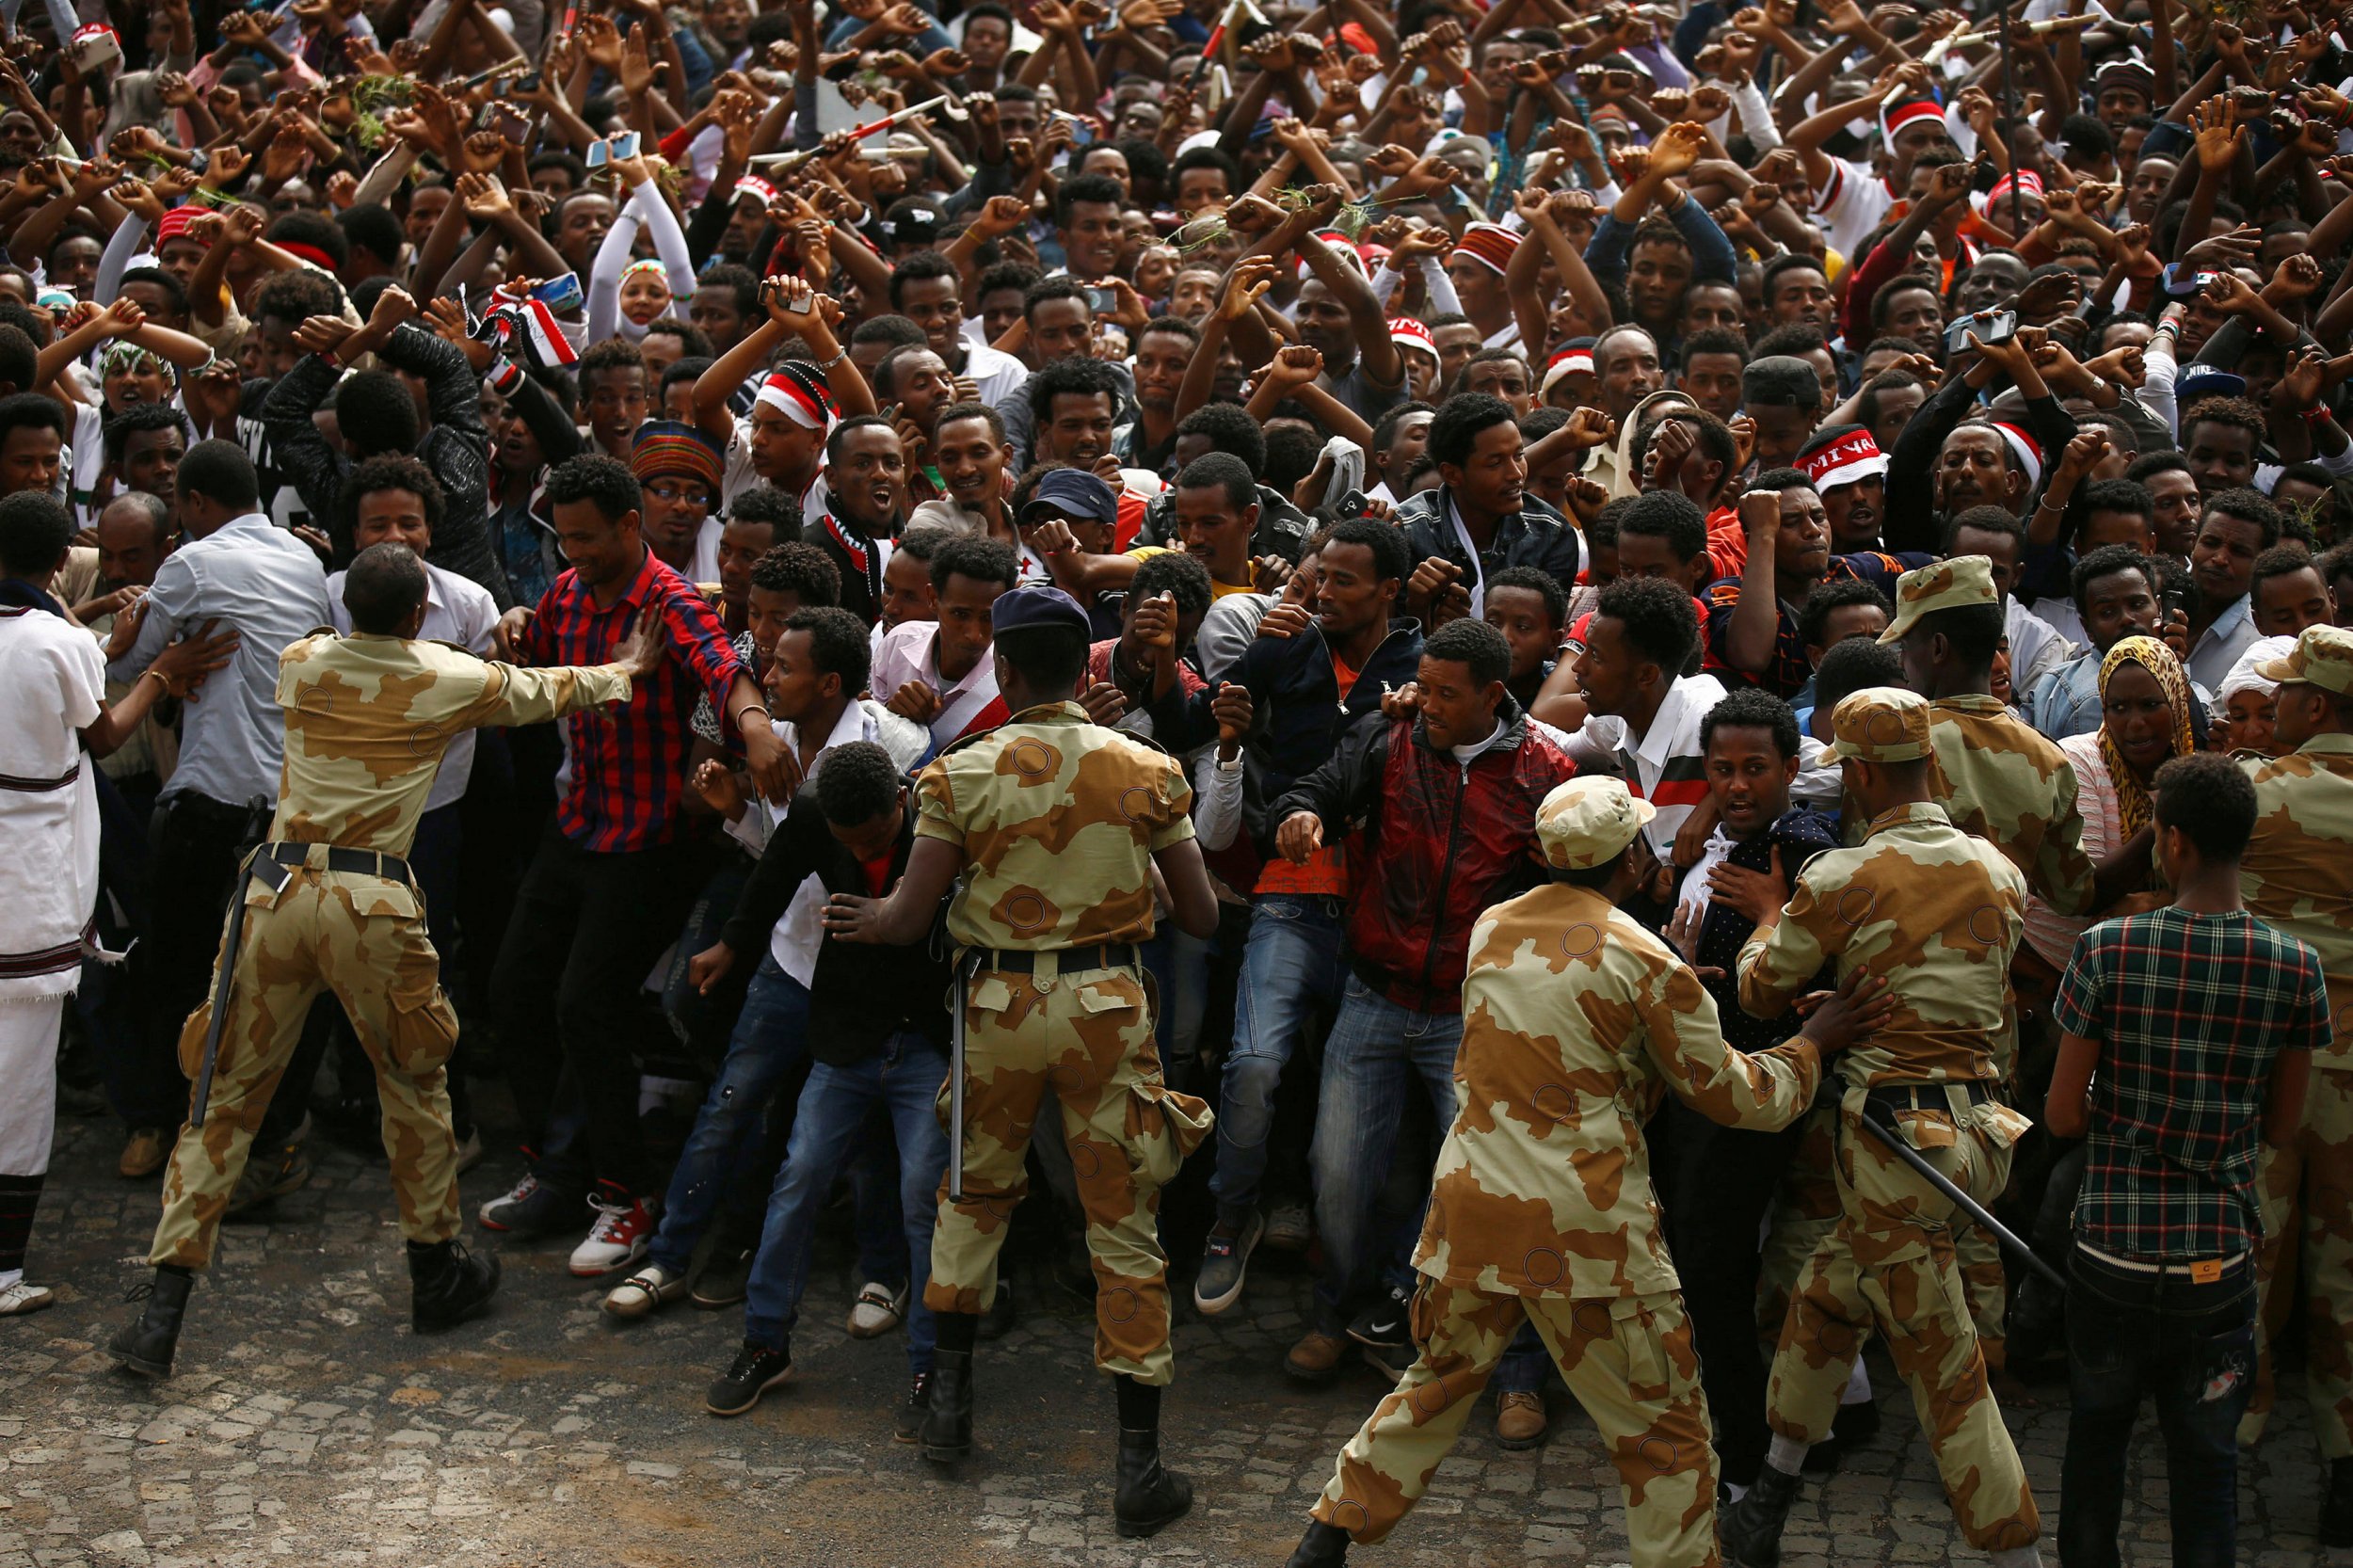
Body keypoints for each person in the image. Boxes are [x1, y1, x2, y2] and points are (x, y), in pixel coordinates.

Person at [1281, 776, 1888, 1568]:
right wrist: (1815, 1043)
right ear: (1633, 856)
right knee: (1664, 1433)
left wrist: (1659, 1020)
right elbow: (1740, 1097)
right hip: (1586, 1231)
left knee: (1433, 1385)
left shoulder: (1493, 926)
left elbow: (1556, 1040)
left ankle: (1326, 1537)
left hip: (1473, 1207)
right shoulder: (1645, 957)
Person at [107, 542, 662, 1374]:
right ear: (415, 618)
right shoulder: (441, 675)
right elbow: (555, 691)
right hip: (373, 906)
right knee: (412, 1086)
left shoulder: (302, 661)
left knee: (223, 1097)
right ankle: (434, 1270)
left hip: (275, 895)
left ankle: (162, 1311)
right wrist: (626, 664)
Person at [821, 584, 1220, 1539]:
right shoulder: (1147, 768)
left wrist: (869, 918)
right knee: (1121, 1223)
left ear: (1001, 667)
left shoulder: (958, 774)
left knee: (973, 1197)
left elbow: (909, 917)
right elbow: (1201, 915)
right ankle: (1137, 1465)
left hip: (996, 1007)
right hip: (1106, 1009)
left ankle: (948, 1411)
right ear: (1084, 667)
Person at [1721, 687, 2045, 1568]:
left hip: (1898, 1151)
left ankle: (2017, 1553)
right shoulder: (2000, 869)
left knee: (1946, 1374)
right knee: (1825, 1299)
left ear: (1860, 774)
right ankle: (1769, 1501)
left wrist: (1762, 920)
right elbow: (1963, 999)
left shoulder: (1841, 875)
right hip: (1979, 1135)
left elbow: (1757, 989)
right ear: (1930, 763)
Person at [483, 454, 788, 1274]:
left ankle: (626, 1194)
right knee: (513, 991)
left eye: (588, 539)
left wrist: (754, 726)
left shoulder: (670, 599)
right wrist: (516, 619)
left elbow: (723, 669)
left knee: (588, 1005)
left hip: (648, 846)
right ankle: (555, 1169)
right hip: (576, 826)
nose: (574, 552)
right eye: (565, 539)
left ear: (630, 526)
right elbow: (533, 661)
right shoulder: (566, 592)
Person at [1269, 618, 1577, 1384]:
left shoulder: (1547, 772)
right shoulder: (1389, 738)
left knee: (1496, 1187)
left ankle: (1517, 1372)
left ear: (1492, 696)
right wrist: (1301, 816)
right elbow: (1319, 787)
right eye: (1426, 688)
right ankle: (1342, 1314)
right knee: (1338, 1173)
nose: (1430, 706)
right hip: (1375, 992)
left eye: (1448, 695)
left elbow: (1574, 890)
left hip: (1475, 1014)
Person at [2044, 751, 2322, 1568]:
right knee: (2207, 1463)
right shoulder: (2295, 968)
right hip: (2218, 1260)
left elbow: (2061, 1116)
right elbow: (2281, 1128)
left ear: (2172, 843)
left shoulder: (2108, 950)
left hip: (2112, 1252)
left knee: (2095, 1448)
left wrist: (2122, 1119)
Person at [0, 492, 231, 1315]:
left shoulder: (59, 636)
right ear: (63, 559)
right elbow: (102, 733)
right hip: (24, 888)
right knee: (21, 1085)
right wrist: (161, 672)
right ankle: (3, 1270)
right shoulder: (57, 640)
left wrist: (104, 641)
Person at [695, 741, 952, 1444]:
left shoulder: (944, 813)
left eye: (873, 840)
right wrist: (731, 946)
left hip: (927, 1037)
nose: (862, 851)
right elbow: (773, 878)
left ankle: (935, 1370)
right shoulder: (815, 815)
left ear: (900, 804)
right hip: (845, 1033)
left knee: (925, 1196)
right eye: (849, 845)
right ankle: (765, 1343)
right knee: (800, 1175)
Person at [2234, 624, 2353, 1542]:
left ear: (2312, 705)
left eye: (2281, 696)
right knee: (2345, 1271)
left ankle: (2227, 1445)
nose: (2270, 708)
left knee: (2248, 1258)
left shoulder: (2251, 793)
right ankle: (2346, 1465)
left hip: (2263, 1062)